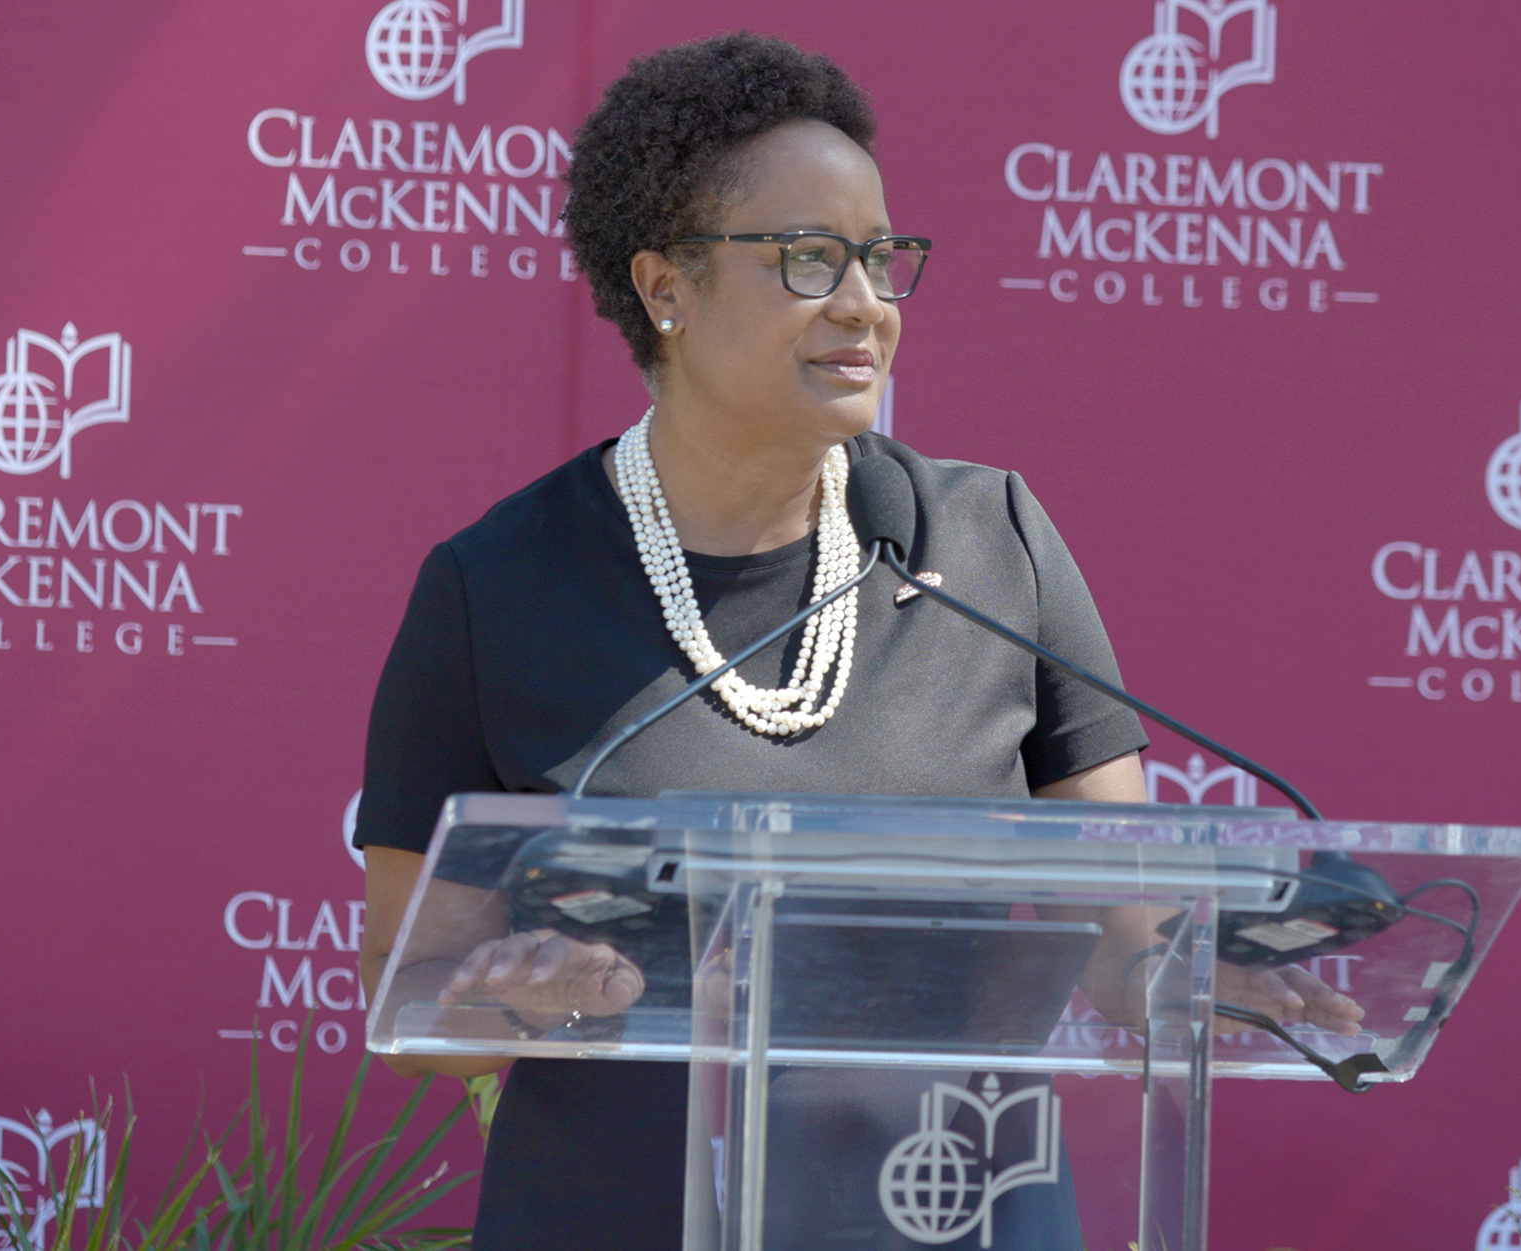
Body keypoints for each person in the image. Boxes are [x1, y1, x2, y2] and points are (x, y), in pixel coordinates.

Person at [354, 32, 1361, 1251]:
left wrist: (1200, 978)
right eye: (809, 258)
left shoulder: (991, 543)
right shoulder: (497, 586)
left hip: (961, 1209)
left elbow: (1120, 939)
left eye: (881, 259)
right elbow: (404, 1001)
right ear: (664, 284)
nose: (864, 304)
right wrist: (516, 1003)